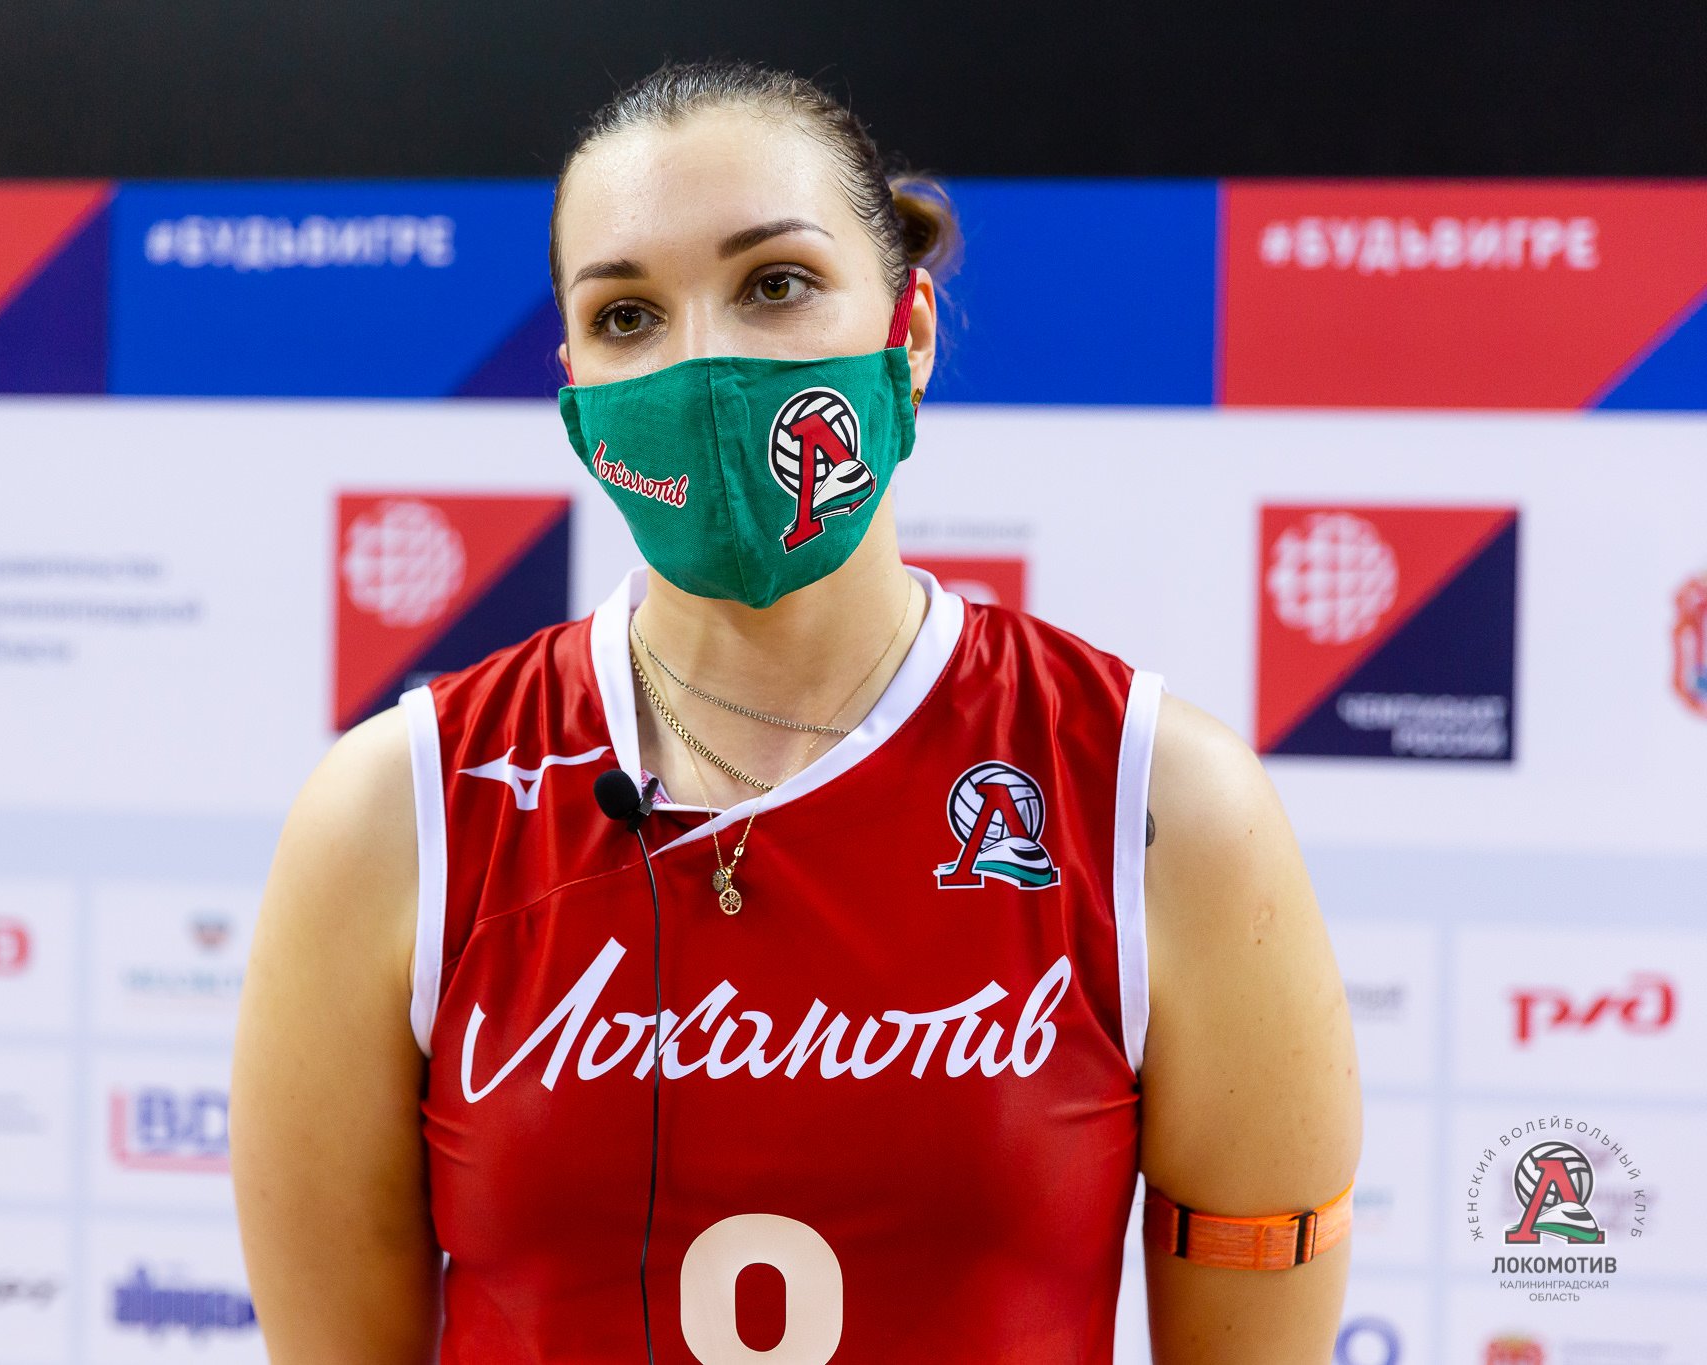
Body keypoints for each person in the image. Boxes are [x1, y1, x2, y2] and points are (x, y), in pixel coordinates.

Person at [231, 60, 1361, 1364]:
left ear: (908, 333)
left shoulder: (1158, 799)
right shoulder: (398, 810)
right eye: (627, 314)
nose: (704, 364)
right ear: (575, 391)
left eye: (775, 284)